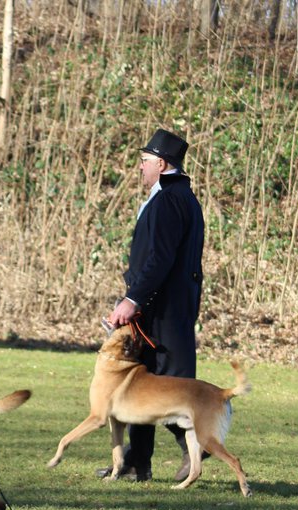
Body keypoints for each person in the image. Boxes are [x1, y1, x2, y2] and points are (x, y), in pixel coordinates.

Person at [101, 128, 204, 482]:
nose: (140, 167)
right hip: (160, 305)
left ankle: (199, 447)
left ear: (161, 163)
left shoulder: (169, 200)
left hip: (164, 310)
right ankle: (137, 461)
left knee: (172, 386)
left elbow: (160, 259)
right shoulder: (175, 196)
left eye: (144, 161)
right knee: (141, 381)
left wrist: (132, 299)